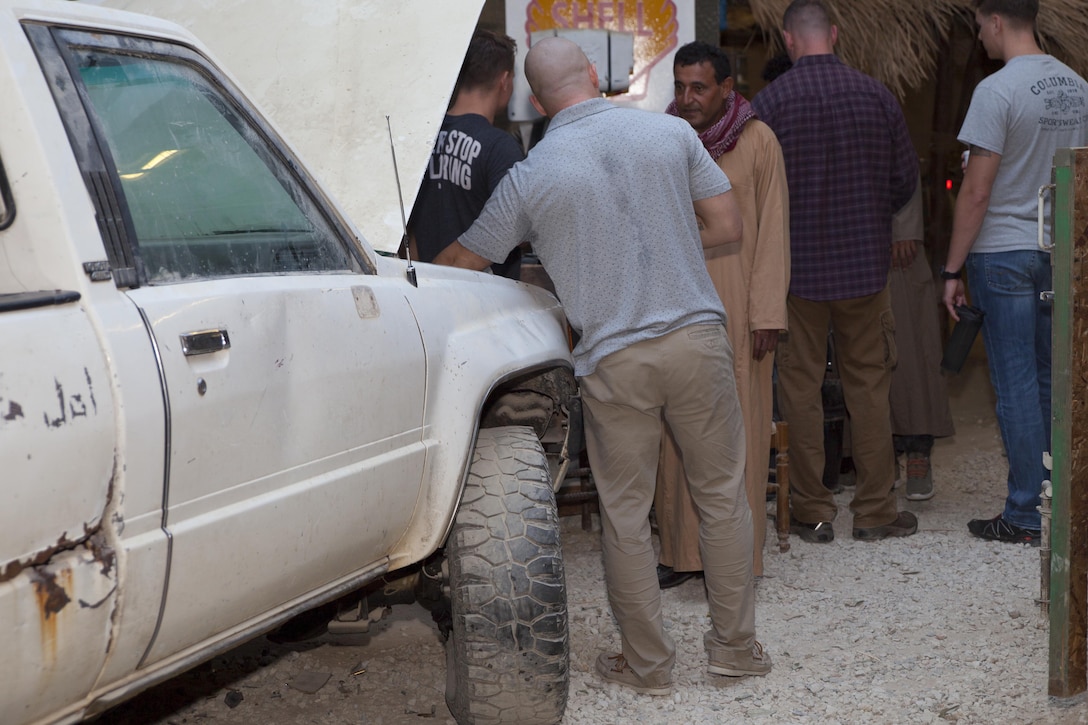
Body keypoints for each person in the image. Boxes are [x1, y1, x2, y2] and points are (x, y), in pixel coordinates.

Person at [434, 36, 770, 695]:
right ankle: (735, 650)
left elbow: (462, 263)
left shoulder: (529, 176)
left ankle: (648, 666)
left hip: (614, 359)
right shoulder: (670, 134)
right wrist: (665, 240)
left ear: (535, 100)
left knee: (625, 515)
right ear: (595, 74)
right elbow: (728, 224)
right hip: (697, 339)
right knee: (722, 496)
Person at [751, 0, 920, 543]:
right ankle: (874, 511)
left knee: (799, 390)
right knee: (869, 386)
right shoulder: (877, 96)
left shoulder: (769, 103)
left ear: (788, 39)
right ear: (836, 33)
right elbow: (904, 181)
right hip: (864, 268)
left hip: (796, 274)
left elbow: (753, 189)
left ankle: (813, 511)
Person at [942, 0, 1088, 544]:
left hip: (1003, 250)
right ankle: (1058, 503)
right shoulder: (1079, 87)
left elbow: (977, 192)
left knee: (1016, 382)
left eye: (980, 25)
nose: (980, 36)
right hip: (1059, 247)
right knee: (1053, 378)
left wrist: (951, 269)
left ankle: (1025, 514)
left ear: (997, 21)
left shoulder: (996, 90)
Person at [654, 40, 790, 587]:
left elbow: (774, 229)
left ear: (726, 88)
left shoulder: (758, 141)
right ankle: (680, 552)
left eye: (699, 87)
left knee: (739, 434)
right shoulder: (663, 139)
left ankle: (735, 558)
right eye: (680, 86)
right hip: (673, 304)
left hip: (739, 309)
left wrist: (767, 313)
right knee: (674, 432)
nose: (687, 98)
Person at [408, 29, 524, 279]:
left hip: (423, 289)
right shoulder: (499, 148)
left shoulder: (419, 141)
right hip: (487, 296)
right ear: (504, 80)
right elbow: (519, 227)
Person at [889, 178, 954, 501]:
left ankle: (917, 448)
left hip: (896, 243)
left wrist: (904, 225)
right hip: (847, 235)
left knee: (912, 347)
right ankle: (875, 454)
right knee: (856, 354)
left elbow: (901, 160)